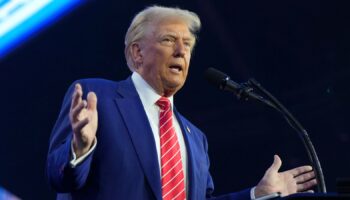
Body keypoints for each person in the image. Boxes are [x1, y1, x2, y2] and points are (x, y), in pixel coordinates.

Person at [46, 5, 317, 200]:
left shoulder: (196, 139)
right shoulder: (97, 98)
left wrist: (257, 194)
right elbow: (59, 178)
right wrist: (80, 148)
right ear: (137, 53)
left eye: (187, 44)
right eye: (168, 40)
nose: (181, 51)